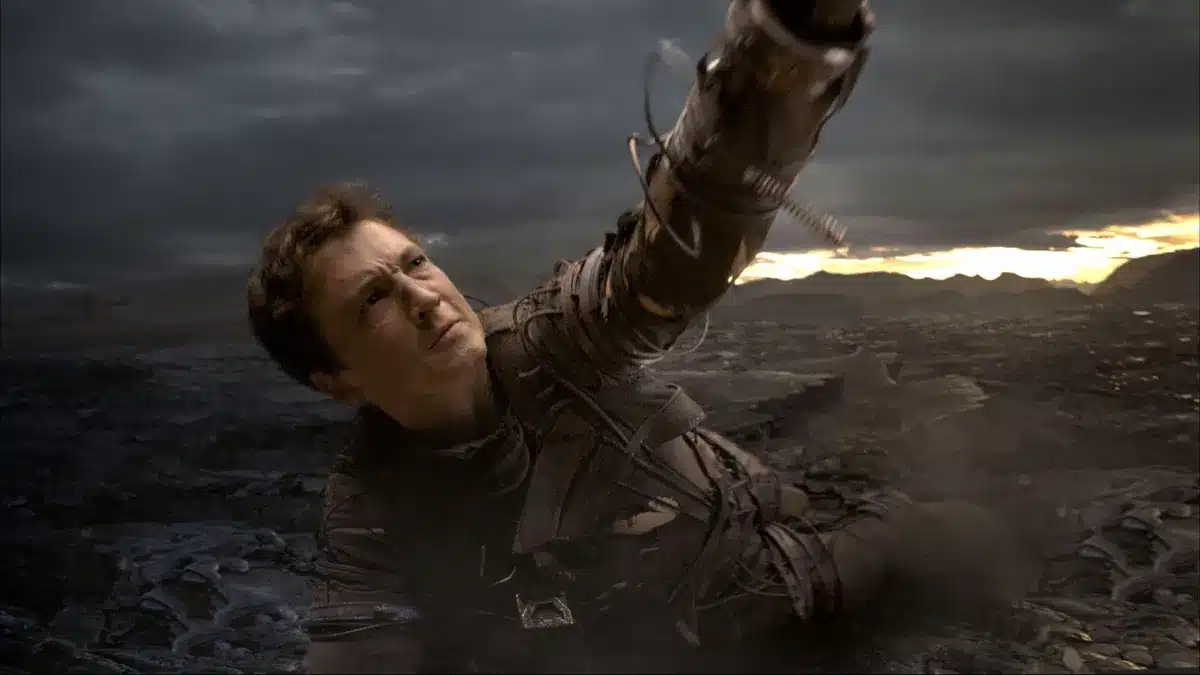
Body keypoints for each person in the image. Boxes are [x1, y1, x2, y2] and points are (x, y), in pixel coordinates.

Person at [247, 1, 1030, 672]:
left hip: (782, 569)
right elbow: (358, 649)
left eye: (415, 262)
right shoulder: (370, 504)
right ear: (337, 379)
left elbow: (660, 266)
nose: (422, 298)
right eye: (374, 300)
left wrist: (782, 56)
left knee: (983, 542)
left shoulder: (550, 340)